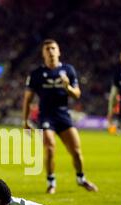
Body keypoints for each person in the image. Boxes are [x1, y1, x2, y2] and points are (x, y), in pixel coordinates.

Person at [22, 39, 98, 194]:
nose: (50, 51)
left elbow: (77, 94)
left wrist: (67, 86)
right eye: (47, 49)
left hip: (63, 115)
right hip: (46, 117)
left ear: (59, 51)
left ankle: (81, 179)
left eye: (53, 48)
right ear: (43, 53)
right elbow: (27, 99)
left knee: (76, 151)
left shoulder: (68, 70)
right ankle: (51, 182)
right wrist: (25, 121)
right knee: (49, 147)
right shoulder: (36, 74)